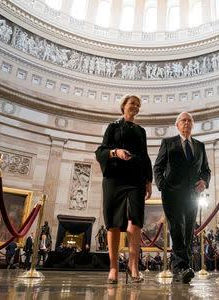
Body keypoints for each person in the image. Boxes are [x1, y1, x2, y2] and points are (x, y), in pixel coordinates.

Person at [95, 94, 152, 284]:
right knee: (113, 222)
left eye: (138, 105)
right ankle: (113, 267)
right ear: (123, 106)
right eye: (132, 104)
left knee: (135, 220)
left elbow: (144, 156)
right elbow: (100, 151)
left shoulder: (141, 131)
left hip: (136, 178)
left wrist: (149, 180)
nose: (135, 107)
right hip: (114, 177)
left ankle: (133, 265)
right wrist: (115, 152)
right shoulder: (113, 127)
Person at [154, 111, 211, 284]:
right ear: (177, 125)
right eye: (183, 120)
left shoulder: (200, 146)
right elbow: (158, 166)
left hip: (192, 195)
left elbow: (206, 170)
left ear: (192, 125)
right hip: (172, 193)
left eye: (189, 121)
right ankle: (181, 268)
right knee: (177, 228)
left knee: (188, 231)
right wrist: (162, 186)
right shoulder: (168, 142)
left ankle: (182, 267)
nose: (186, 123)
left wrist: (204, 182)